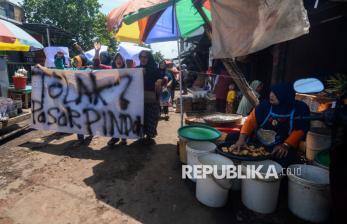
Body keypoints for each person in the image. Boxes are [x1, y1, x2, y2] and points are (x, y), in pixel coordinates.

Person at [227, 83, 310, 167]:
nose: (271, 95)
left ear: (286, 95)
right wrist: (241, 139)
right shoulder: (264, 106)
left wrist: (286, 145)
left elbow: (300, 129)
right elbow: (250, 121)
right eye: (271, 92)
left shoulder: (298, 109)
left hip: (280, 144)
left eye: (276, 94)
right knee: (231, 137)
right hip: (258, 141)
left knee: (284, 159)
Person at [137, 50, 163, 145]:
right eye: (141, 57)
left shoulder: (154, 69)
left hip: (151, 99)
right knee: (140, 118)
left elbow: (161, 78)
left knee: (151, 118)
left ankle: (149, 136)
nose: (143, 59)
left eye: (145, 57)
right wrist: (139, 74)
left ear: (149, 58)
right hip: (139, 99)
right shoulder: (137, 69)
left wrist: (160, 81)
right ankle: (140, 135)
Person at [107, 53, 127, 146]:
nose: (118, 60)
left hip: (124, 99)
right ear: (114, 61)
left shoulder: (128, 71)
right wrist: (97, 52)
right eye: (117, 59)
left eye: (120, 58)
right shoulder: (110, 71)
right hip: (113, 100)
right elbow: (96, 65)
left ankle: (123, 137)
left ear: (123, 61)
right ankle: (115, 137)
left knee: (123, 118)